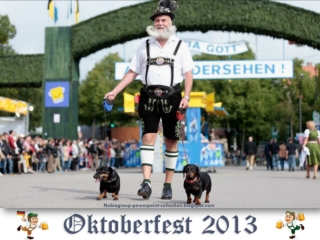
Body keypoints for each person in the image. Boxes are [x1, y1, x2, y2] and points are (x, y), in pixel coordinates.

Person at [104, 0, 194, 200]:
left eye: (164, 19)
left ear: (170, 23)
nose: (160, 23)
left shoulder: (180, 46)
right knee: (148, 138)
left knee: (171, 140)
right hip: (148, 97)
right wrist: (115, 91)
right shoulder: (144, 45)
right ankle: (145, 183)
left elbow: (188, 75)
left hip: (173, 97)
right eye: (157, 20)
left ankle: (168, 185)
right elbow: (132, 72)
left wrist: (186, 97)